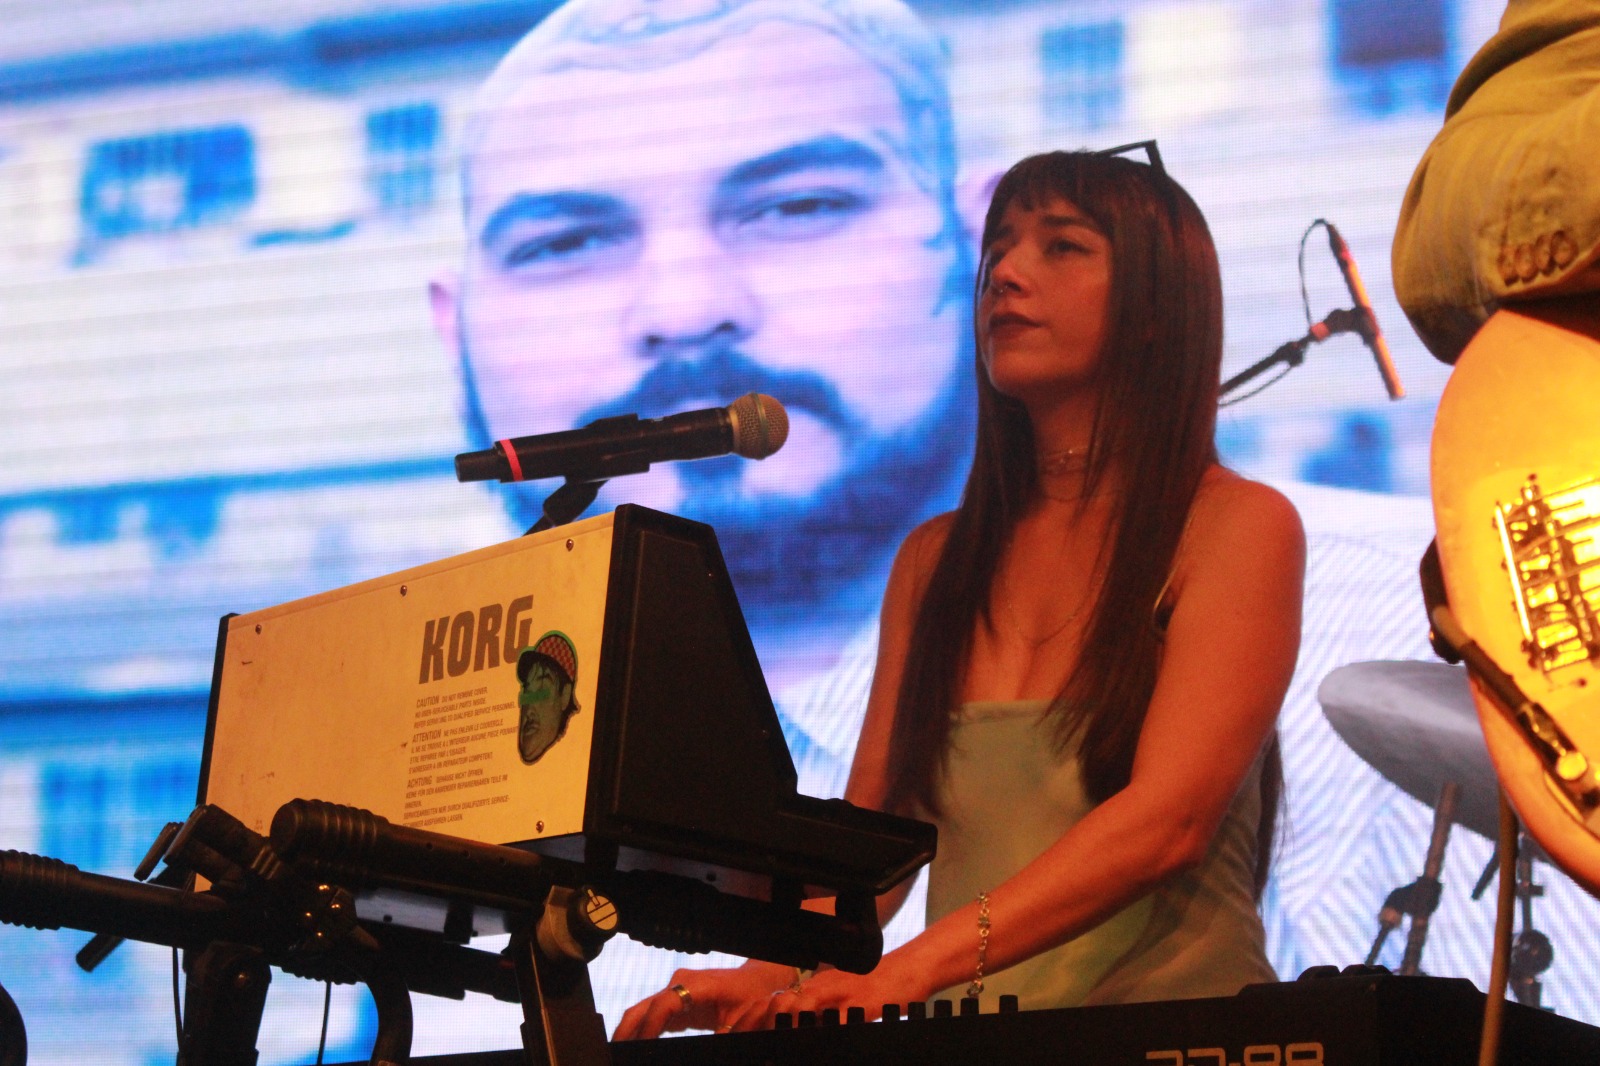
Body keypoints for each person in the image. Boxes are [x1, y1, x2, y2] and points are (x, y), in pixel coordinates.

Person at [616, 148, 1306, 1037]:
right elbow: (876, 861)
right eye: (1000, 251)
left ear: (1154, 311)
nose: (1008, 275)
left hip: (1171, 1032)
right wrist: (769, 973)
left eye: (1062, 248)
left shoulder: (1239, 526)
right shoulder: (934, 560)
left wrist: (909, 971)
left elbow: (1164, 824)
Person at [429, 0, 984, 804]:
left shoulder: (1187, 712)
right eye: (565, 243)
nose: (685, 310)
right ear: (455, 334)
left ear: (984, 246)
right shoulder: (372, 807)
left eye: (800, 206)